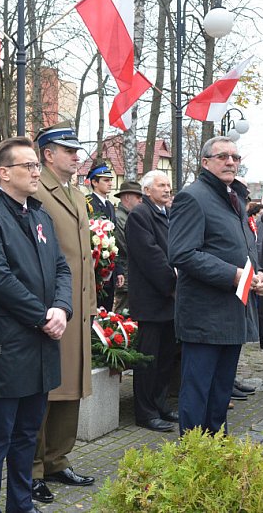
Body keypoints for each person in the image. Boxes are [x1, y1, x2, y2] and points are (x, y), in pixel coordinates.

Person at [0, 136, 72, 513]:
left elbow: (61, 267)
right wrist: (43, 316)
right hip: (7, 346)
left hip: (41, 343)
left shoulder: (39, 214)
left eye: (36, 165)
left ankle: (21, 504)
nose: (35, 170)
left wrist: (61, 307)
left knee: (28, 434)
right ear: (3, 173)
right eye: (27, 165)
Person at [168, 136, 263, 436]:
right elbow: (183, 254)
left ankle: (217, 455)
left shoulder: (234, 197)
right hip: (204, 316)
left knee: (221, 393)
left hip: (232, 312)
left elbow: (242, 249)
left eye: (236, 158)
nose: (230, 162)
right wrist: (236, 275)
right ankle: (193, 458)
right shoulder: (193, 197)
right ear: (204, 162)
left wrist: (258, 275)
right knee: (198, 393)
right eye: (223, 156)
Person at [31, 122, 96, 504]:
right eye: (67, 150)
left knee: (70, 388)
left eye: (77, 150)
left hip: (76, 307)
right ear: (47, 154)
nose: (76, 155)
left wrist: (89, 305)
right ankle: (34, 468)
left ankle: (58, 458)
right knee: (46, 391)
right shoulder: (38, 190)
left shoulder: (74, 192)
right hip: (52, 308)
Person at [125, 170, 178, 433]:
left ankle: (160, 404)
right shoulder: (140, 215)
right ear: (147, 191)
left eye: (168, 185)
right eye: (161, 185)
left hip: (169, 300)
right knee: (148, 360)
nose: (167, 189)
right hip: (152, 299)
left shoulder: (166, 213)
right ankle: (145, 412)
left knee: (166, 358)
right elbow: (151, 256)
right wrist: (173, 284)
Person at [86, 162, 124, 311]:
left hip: (109, 265)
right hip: (96, 267)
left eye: (111, 180)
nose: (110, 183)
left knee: (107, 309)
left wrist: (118, 270)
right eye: (106, 180)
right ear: (95, 182)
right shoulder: (88, 203)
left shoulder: (109, 206)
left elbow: (114, 240)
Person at [113, 181, 144, 314]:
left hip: (130, 273)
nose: (140, 200)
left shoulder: (129, 216)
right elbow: (125, 245)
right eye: (137, 197)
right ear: (127, 197)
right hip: (125, 274)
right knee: (122, 316)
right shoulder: (120, 218)